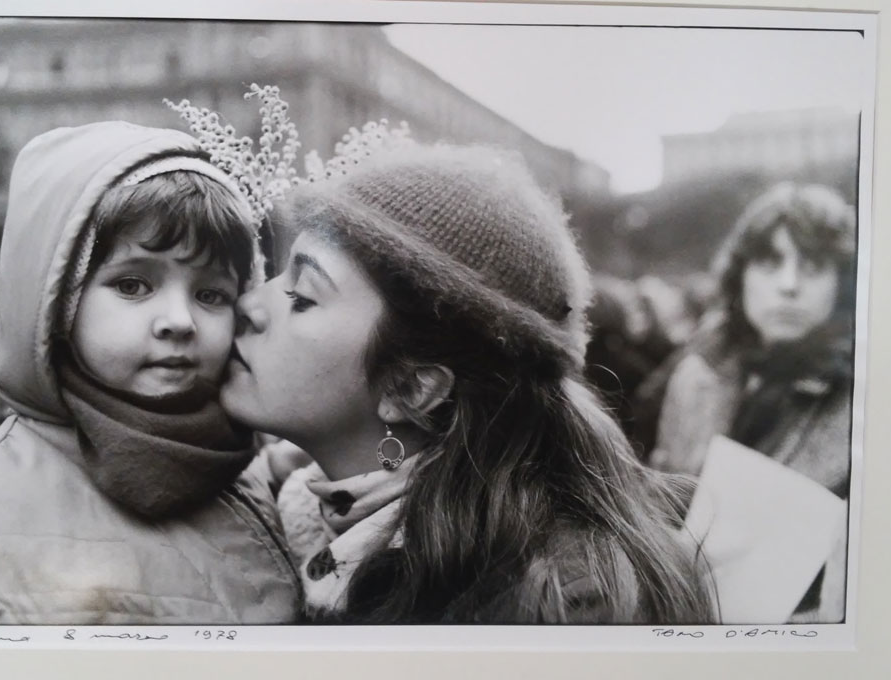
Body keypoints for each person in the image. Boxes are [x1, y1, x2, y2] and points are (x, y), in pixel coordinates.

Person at [220, 142, 716, 624]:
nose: (249, 304)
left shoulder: (554, 609)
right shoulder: (285, 505)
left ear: (412, 388)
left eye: (302, 296)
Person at [0, 120, 301, 625]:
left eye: (210, 294)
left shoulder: (244, 469)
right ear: (56, 301)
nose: (179, 322)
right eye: (133, 285)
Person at [649, 182, 856, 623]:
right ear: (739, 274)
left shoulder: (866, 397)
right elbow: (660, 501)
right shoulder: (696, 374)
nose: (788, 285)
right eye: (769, 262)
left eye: (814, 266)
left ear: (844, 283)